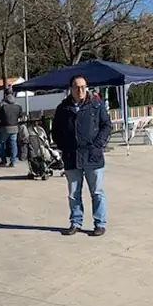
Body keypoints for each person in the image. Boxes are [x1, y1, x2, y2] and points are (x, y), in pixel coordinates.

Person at [52, 74, 112, 237]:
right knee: (73, 193)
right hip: (72, 157)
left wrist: (98, 145)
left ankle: (100, 223)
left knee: (97, 192)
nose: (80, 90)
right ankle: (75, 222)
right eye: (77, 87)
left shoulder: (96, 105)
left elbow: (106, 125)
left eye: (83, 87)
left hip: (93, 156)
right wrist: (63, 146)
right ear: (70, 89)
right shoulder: (62, 108)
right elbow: (55, 131)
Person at [0, 88, 23, 167]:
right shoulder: (18, 104)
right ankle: (13, 161)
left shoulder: (2, 104)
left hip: (4, 127)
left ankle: (3, 160)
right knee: (13, 144)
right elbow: (20, 115)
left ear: (5, 94)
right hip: (15, 127)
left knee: (0, 143)